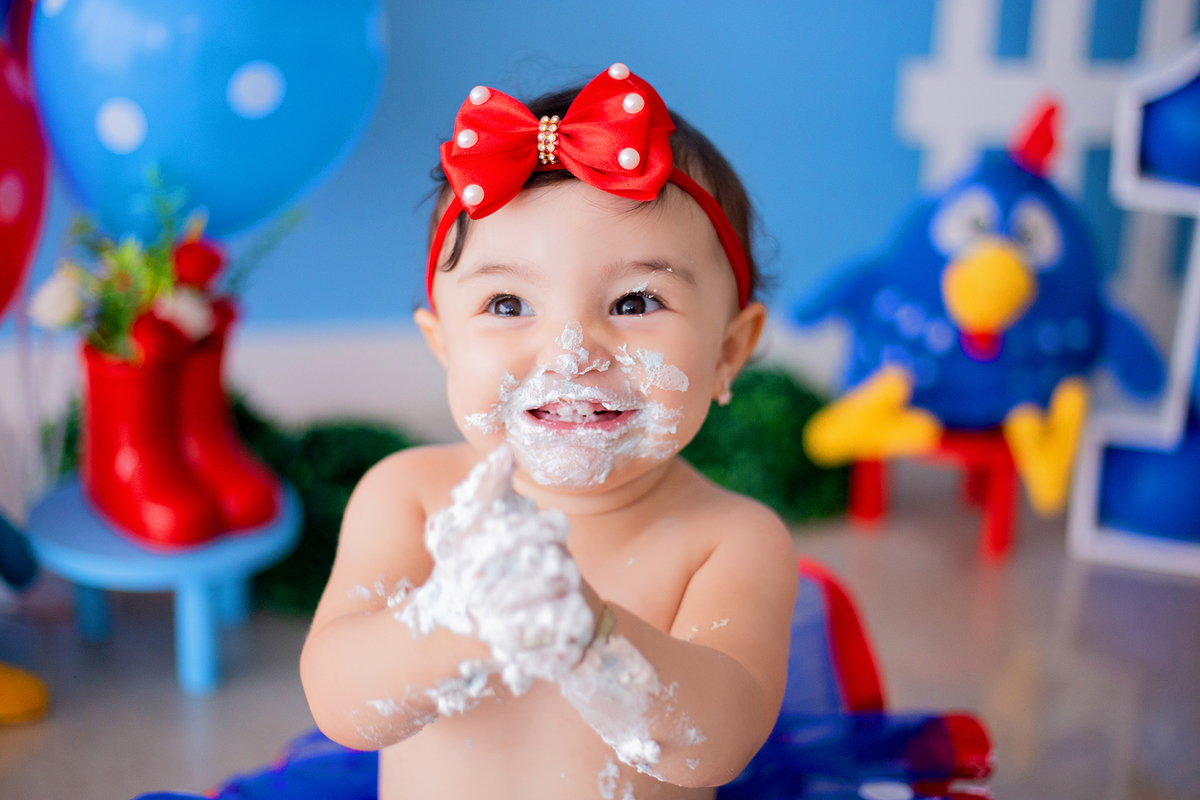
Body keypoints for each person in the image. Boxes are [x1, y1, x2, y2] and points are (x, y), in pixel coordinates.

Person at [299, 63, 798, 800]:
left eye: (634, 301)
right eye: (507, 304)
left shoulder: (729, 540)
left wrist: (594, 643)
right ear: (443, 345)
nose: (573, 350)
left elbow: (714, 746)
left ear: (728, 350)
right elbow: (342, 705)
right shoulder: (410, 497)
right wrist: (454, 625)